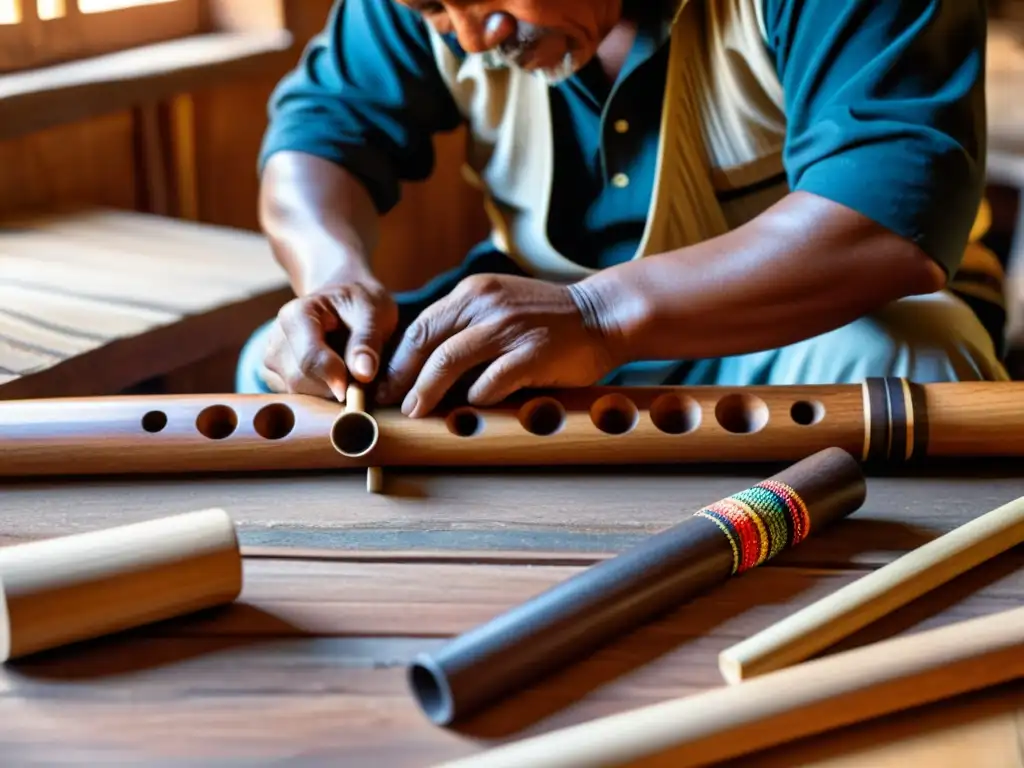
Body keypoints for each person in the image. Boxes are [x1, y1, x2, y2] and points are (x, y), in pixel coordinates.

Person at [238, 0, 1009, 418]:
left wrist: (599, 316)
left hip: (797, 333)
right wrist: (331, 275)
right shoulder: (444, 13)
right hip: (543, 329)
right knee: (283, 371)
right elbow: (317, 134)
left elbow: (884, 218)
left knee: (909, 361)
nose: (475, 36)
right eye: (438, 11)